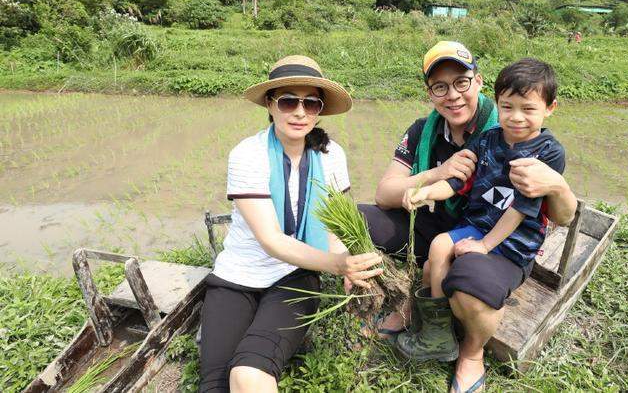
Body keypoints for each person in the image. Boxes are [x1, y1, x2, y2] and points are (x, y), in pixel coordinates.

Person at [359, 41, 577, 391]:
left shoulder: (534, 147)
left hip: (499, 237)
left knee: (464, 283)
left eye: (461, 82)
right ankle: (433, 326)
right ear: (429, 92)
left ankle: (469, 352)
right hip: (456, 224)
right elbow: (393, 193)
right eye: (440, 87)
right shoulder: (431, 131)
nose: (453, 95)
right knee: (378, 226)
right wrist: (431, 179)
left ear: (478, 82)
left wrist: (557, 187)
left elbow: (538, 211)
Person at [199, 55, 383, 393]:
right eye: (288, 101)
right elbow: (270, 240)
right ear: (270, 104)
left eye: (311, 103)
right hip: (237, 276)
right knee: (214, 385)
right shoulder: (247, 153)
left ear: (320, 109)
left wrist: (347, 262)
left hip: (295, 277)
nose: (300, 112)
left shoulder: (331, 156)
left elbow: (335, 222)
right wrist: (338, 265)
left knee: (249, 373)